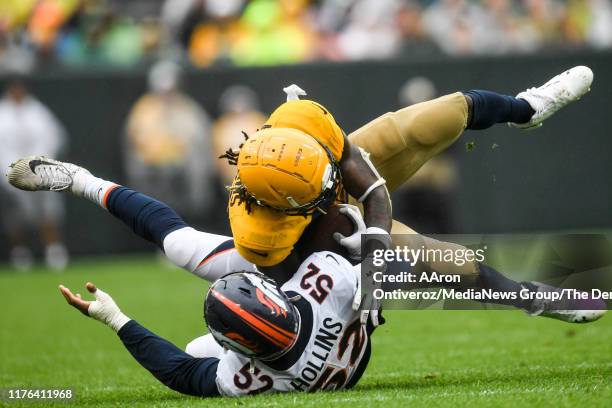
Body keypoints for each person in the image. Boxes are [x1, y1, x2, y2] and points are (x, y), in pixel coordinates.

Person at [5, 156, 605, 398]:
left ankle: (79, 181)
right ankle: (541, 298)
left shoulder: (244, 375)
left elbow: (183, 371)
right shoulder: (331, 284)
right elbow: (403, 260)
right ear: (275, 297)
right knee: (444, 268)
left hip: (322, 342)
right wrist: (360, 209)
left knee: (179, 245)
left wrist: (116, 319)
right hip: (342, 310)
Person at [221, 66, 595, 324]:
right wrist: (364, 278)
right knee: (450, 264)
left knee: (432, 118)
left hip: (347, 210)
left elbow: (369, 187)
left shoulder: (302, 120)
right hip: (323, 240)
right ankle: (533, 298)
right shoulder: (261, 237)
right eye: (315, 184)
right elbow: (299, 297)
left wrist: (375, 246)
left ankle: (525, 108)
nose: (328, 182)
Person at [0, 78, 68, 270]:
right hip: (12, 175)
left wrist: (40, 165)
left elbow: (54, 137)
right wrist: (13, 172)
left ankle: (54, 252)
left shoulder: (37, 111)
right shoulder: (2, 113)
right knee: (17, 216)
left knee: (48, 213)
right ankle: (20, 254)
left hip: (41, 172)